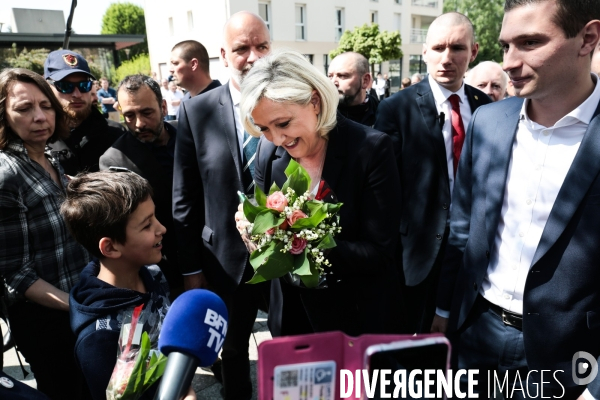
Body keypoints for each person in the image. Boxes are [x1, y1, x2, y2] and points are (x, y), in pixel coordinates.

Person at [432, 0, 600, 398]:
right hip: (477, 333)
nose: (508, 61)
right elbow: (462, 229)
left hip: (572, 355)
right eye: (506, 45)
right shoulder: (490, 122)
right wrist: (445, 313)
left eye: (529, 42)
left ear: (587, 39)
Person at [240, 49, 402, 337]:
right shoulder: (268, 150)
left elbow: (380, 252)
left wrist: (303, 240)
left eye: (283, 123)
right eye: (264, 128)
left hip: (354, 319)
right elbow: (267, 227)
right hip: (291, 318)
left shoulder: (370, 149)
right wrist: (255, 229)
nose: (277, 139)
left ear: (315, 101)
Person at [172, 11, 271, 400]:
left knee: (293, 343)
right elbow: (185, 196)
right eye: (242, 48)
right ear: (223, 54)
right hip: (223, 259)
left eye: (262, 46)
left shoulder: (292, 102)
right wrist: (191, 269)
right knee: (231, 354)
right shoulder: (196, 110)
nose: (253, 57)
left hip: (286, 255)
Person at [374, 12, 492, 335]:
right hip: (416, 256)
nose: (446, 58)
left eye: (457, 48)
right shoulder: (395, 109)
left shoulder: (486, 107)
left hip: (474, 252)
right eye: (438, 48)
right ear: (424, 52)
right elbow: (382, 193)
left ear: (474, 51)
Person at [63, 171, 195, 400]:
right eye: (146, 226)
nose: (161, 228)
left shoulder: (153, 273)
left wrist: (182, 387)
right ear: (111, 248)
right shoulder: (99, 338)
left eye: (155, 217)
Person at [0, 68, 90, 399]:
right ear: (4, 115)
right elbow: (16, 274)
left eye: (46, 105)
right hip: (46, 325)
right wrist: (78, 306)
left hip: (78, 307)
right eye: (24, 108)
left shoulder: (49, 155)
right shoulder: (6, 176)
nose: (39, 117)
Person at [100, 74, 183, 298]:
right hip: (164, 271)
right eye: (129, 115)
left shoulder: (188, 135)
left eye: (147, 113)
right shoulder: (114, 160)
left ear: (163, 107)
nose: (139, 123)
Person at [43, 50, 122, 176]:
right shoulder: (40, 138)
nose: (77, 94)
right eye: (65, 86)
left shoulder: (116, 134)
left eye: (84, 85)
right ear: (47, 89)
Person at [327, 52, 378, 126]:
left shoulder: (383, 113)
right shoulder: (321, 115)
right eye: (330, 76)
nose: (333, 82)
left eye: (342, 76)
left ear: (365, 80)